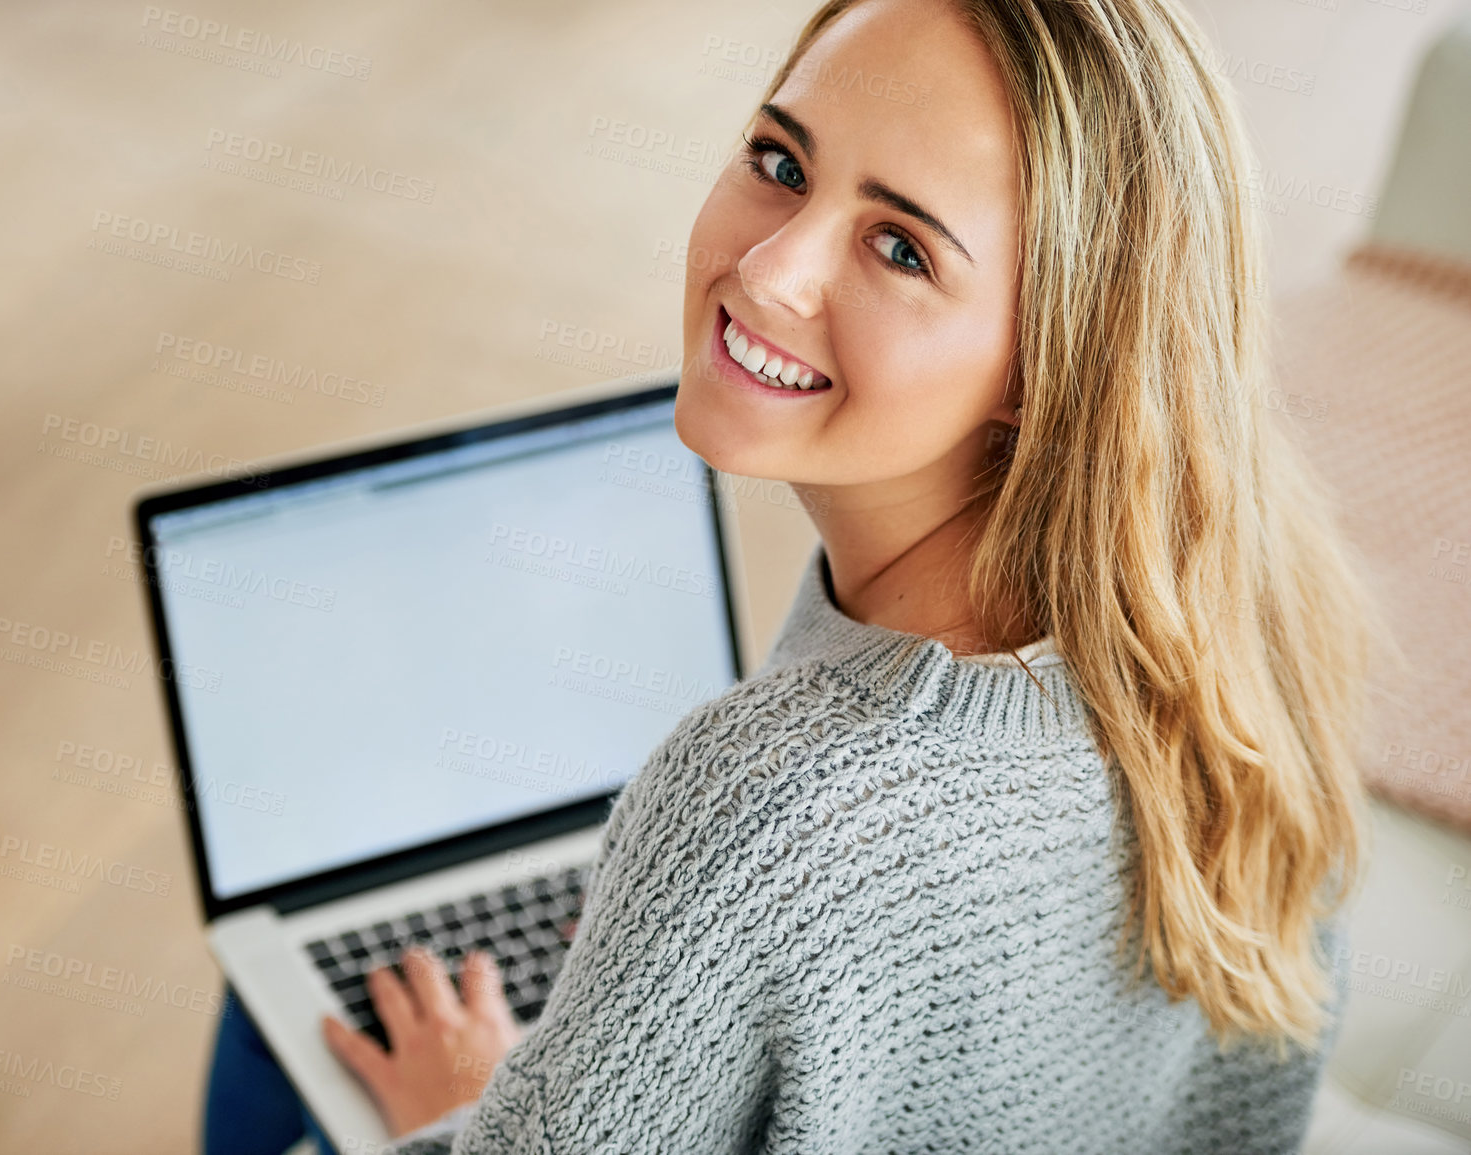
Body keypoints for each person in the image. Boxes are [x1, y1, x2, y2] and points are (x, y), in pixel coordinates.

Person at [207, 0, 1392, 1151]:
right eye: (781, 160)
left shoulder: (765, 793)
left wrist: (476, 1104)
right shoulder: (1250, 618)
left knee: (279, 1019)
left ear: (1050, 364)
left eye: (899, 246)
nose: (770, 271)